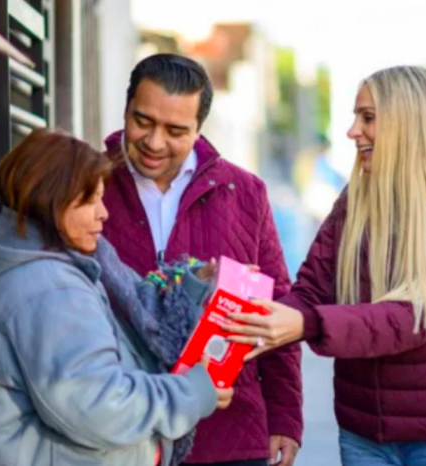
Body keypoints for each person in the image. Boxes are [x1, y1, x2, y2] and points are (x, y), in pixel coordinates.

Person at [224, 66, 426, 466]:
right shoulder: (354, 202)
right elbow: (311, 291)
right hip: (364, 435)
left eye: (367, 118)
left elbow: (417, 316)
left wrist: (309, 323)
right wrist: (259, 306)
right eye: (356, 117)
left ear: (408, 123)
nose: (353, 131)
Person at [0, 128, 233, 466]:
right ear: (50, 200)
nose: (103, 213)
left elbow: (128, 328)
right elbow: (100, 405)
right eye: (89, 200)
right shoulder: (49, 289)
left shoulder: (43, 264)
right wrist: (191, 393)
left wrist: (192, 290)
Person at [101, 53, 303, 466]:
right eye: (143, 121)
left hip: (228, 433)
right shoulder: (89, 184)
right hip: (123, 432)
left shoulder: (245, 193)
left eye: (176, 130)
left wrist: (285, 416)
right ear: (126, 108)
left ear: (199, 130)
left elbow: (277, 307)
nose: (155, 142)